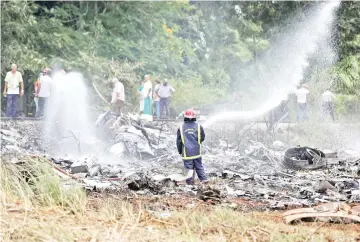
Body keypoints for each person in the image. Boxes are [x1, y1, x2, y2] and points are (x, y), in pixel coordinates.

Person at [176, 109, 207, 185]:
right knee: (199, 166)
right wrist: (197, 143)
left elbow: (179, 142)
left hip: (187, 152)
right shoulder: (199, 126)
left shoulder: (181, 128)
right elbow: (202, 137)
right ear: (194, 117)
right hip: (197, 151)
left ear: (185, 117)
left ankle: (190, 183)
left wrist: (180, 151)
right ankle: (204, 180)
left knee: (188, 168)